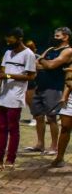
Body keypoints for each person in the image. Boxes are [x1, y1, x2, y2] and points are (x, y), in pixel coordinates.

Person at [0, 28, 36, 168]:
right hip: (3, 96)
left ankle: (10, 159)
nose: (7, 41)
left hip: (15, 97)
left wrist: (9, 76)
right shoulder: (7, 53)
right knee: (1, 128)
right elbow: (5, 72)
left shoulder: (28, 54)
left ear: (19, 38)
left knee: (13, 129)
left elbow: (31, 76)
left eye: (10, 38)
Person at [26, 27, 72, 155]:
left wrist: (44, 62)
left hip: (54, 87)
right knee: (38, 116)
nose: (54, 38)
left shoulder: (68, 51)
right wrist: (45, 63)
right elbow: (37, 63)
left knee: (52, 117)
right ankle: (40, 144)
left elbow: (51, 65)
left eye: (57, 36)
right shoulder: (51, 49)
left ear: (65, 37)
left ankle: (54, 146)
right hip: (40, 85)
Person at [51, 66, 72, 168]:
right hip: (71, 100)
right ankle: (59, 158)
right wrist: (63, 97)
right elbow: (68, 82)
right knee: (65, 127)